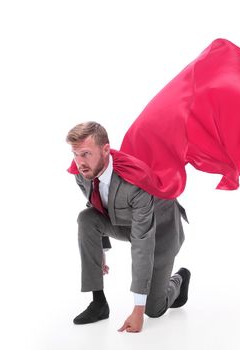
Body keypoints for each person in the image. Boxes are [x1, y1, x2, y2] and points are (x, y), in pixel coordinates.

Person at [66, 121, 191, 333]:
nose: (79, 162)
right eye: (75, 154)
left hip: (159, 231)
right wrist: (100, 249)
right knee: (86, 218)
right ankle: (98, 303)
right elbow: (95, 205)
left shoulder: (135, 183)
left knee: (154, 309)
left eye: (86, 153)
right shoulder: (82, 172)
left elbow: (142, 241)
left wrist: (137, 309)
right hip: (124, 222)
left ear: (106, 150)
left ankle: (179, 279)